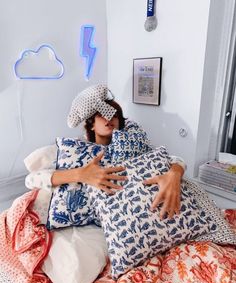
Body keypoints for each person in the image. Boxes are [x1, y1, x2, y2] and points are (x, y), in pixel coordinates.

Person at [26, 84, 185, 220]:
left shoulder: (130, 145)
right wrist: (80, 174)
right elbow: (31, 180)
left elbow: (172, 159)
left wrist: (174, 174)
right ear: (92, 124)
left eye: (115, 115)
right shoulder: (76, 150)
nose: (109, 118)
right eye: (101, 115)